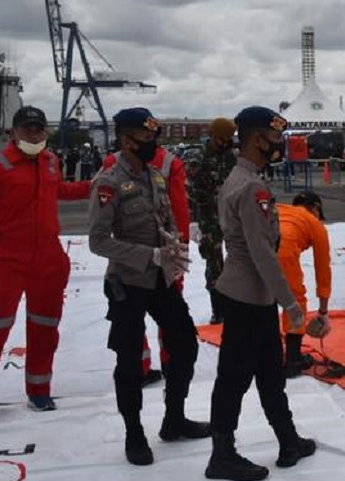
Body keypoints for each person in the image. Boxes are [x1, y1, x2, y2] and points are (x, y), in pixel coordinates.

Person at [88, 107, 210, 466]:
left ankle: (174, 419)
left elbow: (165, 217)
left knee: (185, 344)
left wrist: (172, 246)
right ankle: (134, 433)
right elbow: (98, 241)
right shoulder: (108, 182)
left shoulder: (156, 177)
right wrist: (150, 255)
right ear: (126, 140)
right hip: (128, 280)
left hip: (161, 278)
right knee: (129, 363)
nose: (152, 145)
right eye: (146, 139)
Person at [206, 106, 316, 481]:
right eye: (276, 138)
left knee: (270, 372)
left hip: (251, 296)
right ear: (257, 139)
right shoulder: (252, 186)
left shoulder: (239, 177)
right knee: (234, 378)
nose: (280, 145)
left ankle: (288, 440)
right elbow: (262, 253)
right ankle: (222, 455)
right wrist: (291, 304)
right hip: (248, 297)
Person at [0, 106, 91, 414]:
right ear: (13, 133)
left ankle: (39, 389)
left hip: (49, 258)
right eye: (28, 129)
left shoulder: (50, 161)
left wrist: (93, 187)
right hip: (8, 258)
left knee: (45, 326)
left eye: (39, 129)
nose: (34, 134)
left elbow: (60, 191)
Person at [102, 116, 191, 385]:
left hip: (137, 259)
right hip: (159, 255)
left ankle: (141, 365)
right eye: (146, 135)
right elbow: (179, 207)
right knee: (166, 318)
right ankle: (169, 361)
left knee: (136, 322)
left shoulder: (111, 163)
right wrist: (180, 244)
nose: (150, 141)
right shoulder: (169, 162)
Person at [275, 191, 332, 378]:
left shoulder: (280, 209)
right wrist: (323, 312)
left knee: (261, 300)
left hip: (254, 250)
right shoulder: (314, 223)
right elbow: (323, 270)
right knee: (295, 301)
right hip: (283, 252)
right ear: (315, 208)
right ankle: (292, 360)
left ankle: (263, 355)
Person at [187, 118, 237, 325]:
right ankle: (218, 310)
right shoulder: (199, 159)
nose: (225, 143)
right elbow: (189, 191)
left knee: (237, 261)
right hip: (209, 219)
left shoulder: (231, 157)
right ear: (213, 136)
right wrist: (193, 221)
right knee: (214, 264)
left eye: (228, 139)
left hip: (232, 216)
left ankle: (235, 304)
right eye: (222, 139)